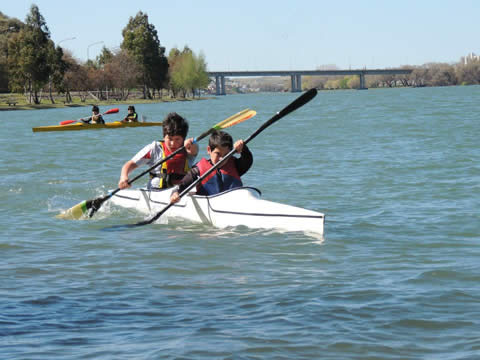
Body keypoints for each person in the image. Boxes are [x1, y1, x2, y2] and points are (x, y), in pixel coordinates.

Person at [118, 112, 198, 190]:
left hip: (181, 190)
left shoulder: (188, 148)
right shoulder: (154, 149)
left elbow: (194, 149)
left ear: (183, 138)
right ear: (164, 137)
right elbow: (130, 164)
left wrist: (192, 143)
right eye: (169, 139)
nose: (173, 143)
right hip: (157, 191)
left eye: (177, 139)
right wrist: (124, 177)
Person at [170, 130, 252, 203]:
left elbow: (248, 161)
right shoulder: (197, 170)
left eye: (226, 155)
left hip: (235, 203)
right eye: (218, 154)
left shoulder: (235, 165)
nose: (221, 159)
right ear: (209, 150)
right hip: (211, 206)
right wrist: (175, 193)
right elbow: (181, 186)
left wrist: (244, 149)